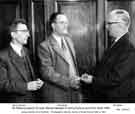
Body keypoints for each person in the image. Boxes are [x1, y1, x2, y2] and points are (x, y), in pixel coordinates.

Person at [81, 9, 135, 103]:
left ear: (121, 25)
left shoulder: (128, 48)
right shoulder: (116, 43)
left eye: (109, 23)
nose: (106, 27)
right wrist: (90, 75)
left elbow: (115, 78)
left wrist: (93, 80)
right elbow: (104, 67)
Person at [38, 12, 82, 103]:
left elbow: (72, 65)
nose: (65, 25)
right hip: (57, 95)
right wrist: (69, 82)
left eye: (66, 23)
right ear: (53, 25)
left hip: (74, 92)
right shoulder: (44, 46)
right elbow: (47, 72)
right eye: (62, 23)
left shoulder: (69, 41)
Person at [0, 18, 44, 103]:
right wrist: (26, 86)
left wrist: (38, 82)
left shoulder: (28, 52)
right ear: (13, 34)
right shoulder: (2, 56)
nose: (28, 35)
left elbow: (32, 76)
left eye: (27, 31)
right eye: (24, 31)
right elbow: (2, 84)